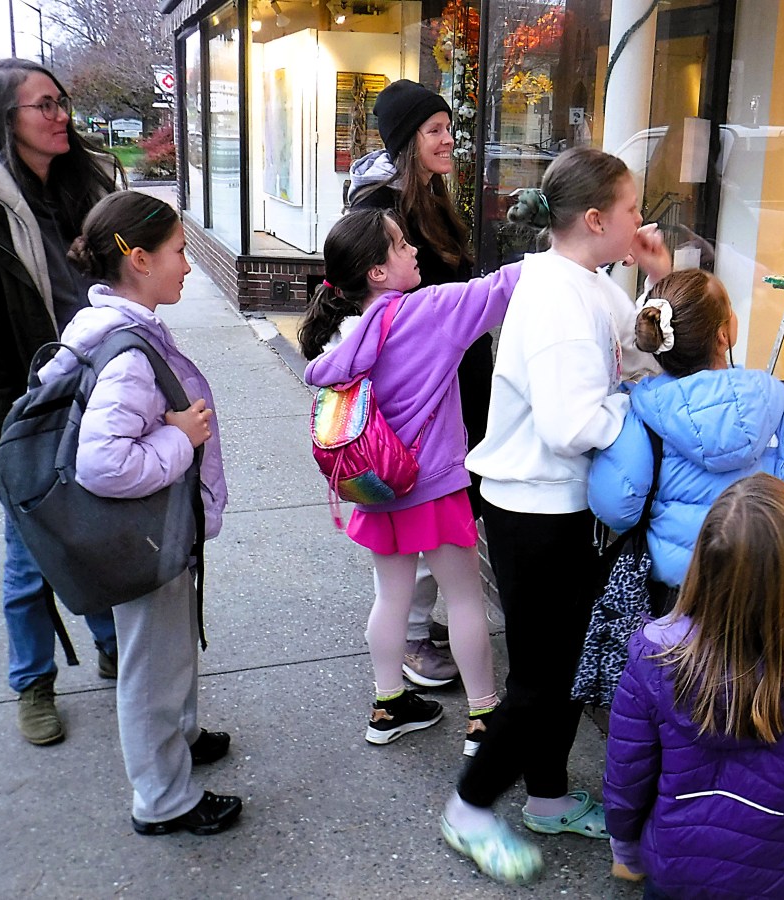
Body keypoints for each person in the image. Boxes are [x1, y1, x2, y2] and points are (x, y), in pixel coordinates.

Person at [441, 147, 671, 884]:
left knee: (562, 666)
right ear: (597, 218)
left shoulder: (586, 282)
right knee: (542, 678)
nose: (643, 220)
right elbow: (575, 423)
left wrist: (662, 279)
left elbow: (639, 353)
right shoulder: (561, 301)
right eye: (633, 208)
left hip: (556, 508)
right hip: (537, 512)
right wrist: (633, 414)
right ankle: (469, 809)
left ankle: (545, 799)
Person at [36, 190, 240, 836]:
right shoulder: (126, 352)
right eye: (179, 252)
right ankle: (164, 800)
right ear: (139, 260)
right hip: (142, 538)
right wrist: (181, 436)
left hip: (153, 534)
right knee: (151, 669)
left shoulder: (109, 325)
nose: (187, 265)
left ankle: (182, 737)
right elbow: (105, 464)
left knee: (170, 648)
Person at [300, 208, 521, 752]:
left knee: (390, 599)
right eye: (401, 245)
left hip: (378, 489)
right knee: (466, 600)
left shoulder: (347, 337)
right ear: (376, 271)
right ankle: (484, 719)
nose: (414, 250)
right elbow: (504, 286)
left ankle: (388, 703)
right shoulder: (426, 311)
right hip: (436, 486)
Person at [603, 474, 784, 898]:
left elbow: (626, 774)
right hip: (779, 880)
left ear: (703, 562)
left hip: (674, 871)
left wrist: (626, 847)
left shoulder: (653, 656)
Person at [0, 58, 124, 746]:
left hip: (102, 389)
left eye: (61, 102)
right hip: (29, 408)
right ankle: (33, 682)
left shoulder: (87, 184)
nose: (60, 116)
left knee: (101, 537)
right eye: (43, 106)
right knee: (30, 557)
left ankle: (113, 645)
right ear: (5, 120)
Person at [348, 79, 490, 689]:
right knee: (428, 513)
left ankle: (411, 638)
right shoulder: (382, 213)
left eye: (448, 128)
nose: (448, 139)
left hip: (456, 385)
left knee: (432, 515)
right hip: (421, 400)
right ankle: (412, 639)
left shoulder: (433, 199)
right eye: (434, 130)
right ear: (408, 141)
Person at [588, 268, 784, 614]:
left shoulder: (641, 415)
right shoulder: (774, 406)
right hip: (759, 590)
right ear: (722, 336)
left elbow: (616, 507)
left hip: (675, 598)